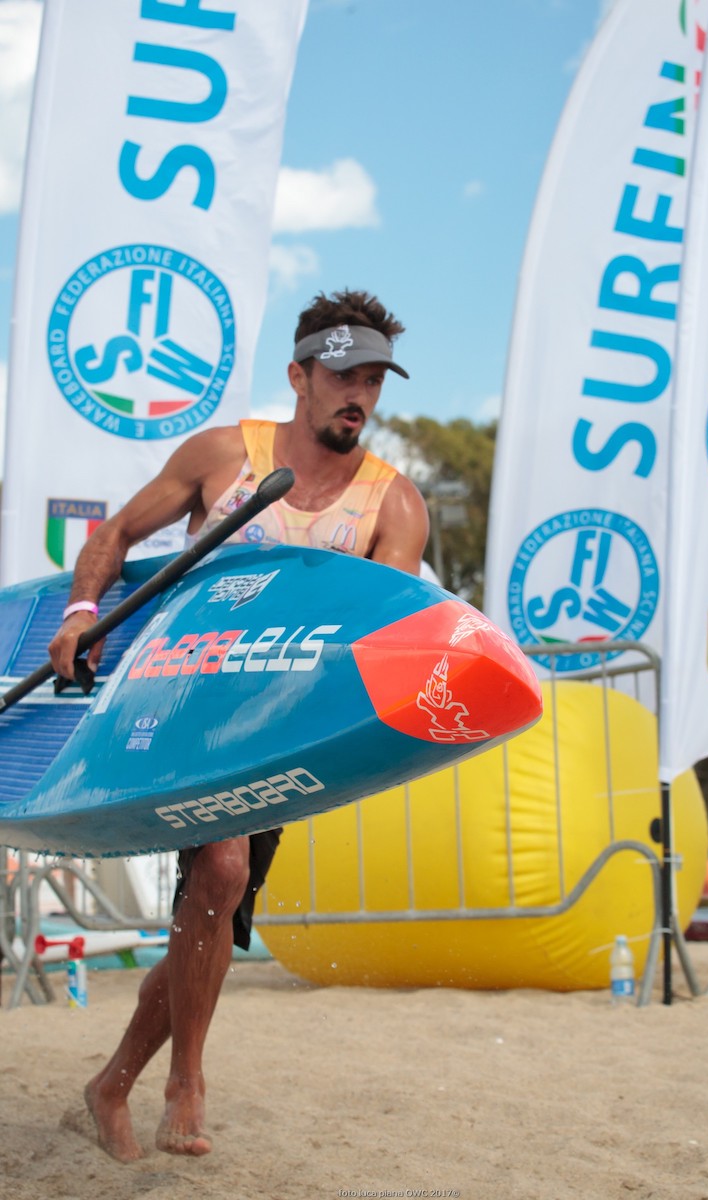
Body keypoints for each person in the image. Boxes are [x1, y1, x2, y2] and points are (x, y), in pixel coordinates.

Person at [48, 289, 429, 1162]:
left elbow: (386, 631)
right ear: (299, 376)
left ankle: (113, 1082)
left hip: (275, 729)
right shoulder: (228, 456)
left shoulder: (393, 505)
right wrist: (79, 611)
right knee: (218, 871)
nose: (357, 397)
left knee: (211, 909)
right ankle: (187, 1079)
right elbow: (115, 535)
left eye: (372, 381)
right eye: (342, 377)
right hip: (172, 702)